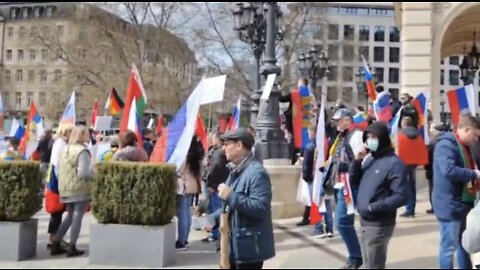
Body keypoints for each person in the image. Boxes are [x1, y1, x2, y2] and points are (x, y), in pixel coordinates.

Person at [205, 128, 275, 269]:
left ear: (239, 145)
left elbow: (260, 207)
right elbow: (230, 208)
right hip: (232, 247)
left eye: (227, 144)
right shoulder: (235, 171)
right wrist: (212, 218)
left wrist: (230, 195)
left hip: (248, 249)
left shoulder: (256, 173)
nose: (223, 148)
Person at [350, 121, 408, 269]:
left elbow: (401, 196)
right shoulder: (370, 160)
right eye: (368, 137)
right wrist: (357, 160)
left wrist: (373, 207)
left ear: (382, 138)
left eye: (373, 137)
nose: (370, 141)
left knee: (374, 265)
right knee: (368, 264)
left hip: (379, 224)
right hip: (364, 221)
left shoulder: (394, 163)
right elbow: (354, 180)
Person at [433, 112, 480, 269]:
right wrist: (474, 174)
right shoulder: (446, 145)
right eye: (475, 135)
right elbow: (448, 170)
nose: (476, 139)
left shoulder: (466, 147)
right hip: (450, 205)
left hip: (464, 203)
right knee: (449, 248)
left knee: (464, 245)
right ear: (466, 130)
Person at [326, 108, 363, 269]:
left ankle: (356, 257)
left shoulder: (356, 135)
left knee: (342, 221)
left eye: (338, 120)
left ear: (348, 120)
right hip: (341, 183)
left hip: (350, 184)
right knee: (342, 221)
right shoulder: (342, 136)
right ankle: (355, 256)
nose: (335, 123)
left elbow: (359, 161)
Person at [50, 126, 94, 257]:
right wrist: (96, 175)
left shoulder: (65, 149)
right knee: (77, 217)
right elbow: (84, 173)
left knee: (70, 216)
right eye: (87, 134)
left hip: (66, 188)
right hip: (79, 188)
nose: (89, 136)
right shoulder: (82, 151)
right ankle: (72, 246)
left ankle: (56, 242)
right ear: (81, 136)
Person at [46, 124, 74, 251]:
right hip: (57, 179)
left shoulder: (59, 142)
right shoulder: (61, 144)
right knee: (57, 210)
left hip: (54, 178)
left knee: (57, 212)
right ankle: (54, 239)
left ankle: (54, 238)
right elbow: (59, 165)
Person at [176, 136, 204, 250]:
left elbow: (179, 169)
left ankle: (181, 241)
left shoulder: (185, 154)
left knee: (182, 213)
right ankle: (185, 239)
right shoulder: (196, 155)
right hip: (193, 185)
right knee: (187, 212)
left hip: (184, 186)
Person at [397, 116, 428, 218]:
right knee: (412, 187)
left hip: (404, 164)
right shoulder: (418, 135)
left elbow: (400, 150)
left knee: (406, 187)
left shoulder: (401, 135)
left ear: (403, 124)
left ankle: (409, 210)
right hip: (413, 164)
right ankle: (411, 209)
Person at [202, 132, 229, 243]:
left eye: (213, 139)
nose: (212, 141)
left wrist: (210, 183)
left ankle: (215, 233)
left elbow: (215, 168)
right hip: (219, 184)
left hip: (214, 185)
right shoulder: (216, 151)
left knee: (215, 209)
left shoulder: (218, 153)